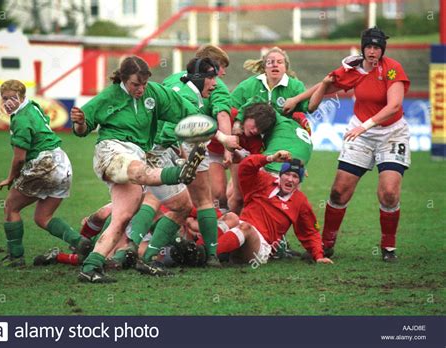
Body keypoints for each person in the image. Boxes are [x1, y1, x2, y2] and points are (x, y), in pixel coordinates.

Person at [70, 56, 204, 282]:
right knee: (139, 171)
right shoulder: (109, 96)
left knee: (174, 207)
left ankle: (94, 266)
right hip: (112, 151)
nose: (141, 89)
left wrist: (204, 127)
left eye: (144, 84)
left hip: (142, 154)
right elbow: (82, 129)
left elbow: (185, 111)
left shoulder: (153, 93)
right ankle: (179, 172)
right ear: (123, 79)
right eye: (135, 84)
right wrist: (80, 122)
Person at [127, 57, 240, 275]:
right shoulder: (188, 97)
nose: (215, 82)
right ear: (199, 78)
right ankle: (211, 256)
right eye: (211, 77)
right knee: (203, 200)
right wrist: (223, 140)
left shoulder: (175, 84)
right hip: (177, 148)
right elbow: (180, 126)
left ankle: (134, 247)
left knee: (156, 200)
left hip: (155, 149)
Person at [307, 27, 410, 262]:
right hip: (361, 134)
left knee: (389, 193)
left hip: (391, 134)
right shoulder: (353, 70)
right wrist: (301, 97)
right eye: (369, 47)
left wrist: (365, 126)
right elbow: (324, 88)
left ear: (382, 50)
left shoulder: (393, 69)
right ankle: (326, 243)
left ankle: (388, 247)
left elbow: (394, 106)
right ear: (362, 48)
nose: (373, 51)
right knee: (338, 192)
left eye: (377, 47)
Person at [0, 79, 92, 267]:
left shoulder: (20, 120)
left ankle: (16, 258)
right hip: (62, 162)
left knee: (11, 207)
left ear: (21, 97)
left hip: (44, 163)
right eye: (4, 98)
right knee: (42, 217)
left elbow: (20, 158)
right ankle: (80, 242)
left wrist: (10, 178)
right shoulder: (33, 106)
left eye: (12, 98)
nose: (7, 102)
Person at [216, 150, 333, 265]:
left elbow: (310, 232)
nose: (290, 179)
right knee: (230, 217)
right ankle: (207, 249)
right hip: (240, 230)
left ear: (299, 181)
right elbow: (245, 167)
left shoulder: (300, 201)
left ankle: (212, 254)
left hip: (260, 246)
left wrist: (319, 256)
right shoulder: (264, 181)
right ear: (281, 175)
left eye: (295, 176)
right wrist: (270, 158)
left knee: (245, 227)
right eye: (287, 174)